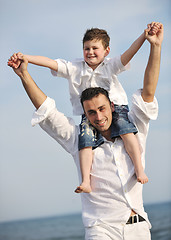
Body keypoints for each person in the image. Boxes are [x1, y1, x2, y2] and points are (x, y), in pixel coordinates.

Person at [8, 22, 163, 239]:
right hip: (101, 230)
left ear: (112, 106)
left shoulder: (133, 128)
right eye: (91, 112)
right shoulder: (79, 139)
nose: (98, 117)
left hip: (140, 228)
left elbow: (148, 91)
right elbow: (47, 110)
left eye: (102, 109)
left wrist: (155, 46)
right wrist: (24, 73)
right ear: (84, 113)